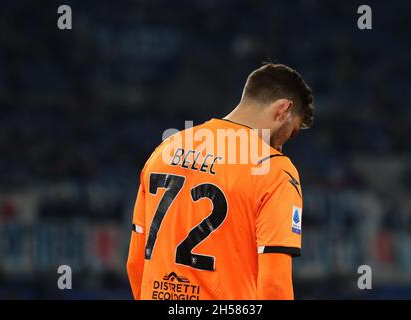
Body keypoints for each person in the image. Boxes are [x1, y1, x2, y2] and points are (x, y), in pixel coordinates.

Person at [127, 63, 314, 300]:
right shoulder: (274, 169)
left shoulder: (166, 148)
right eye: (292, 132)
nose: (282, 144)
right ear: (283, 110)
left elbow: (136, 263)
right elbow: (274, 286)